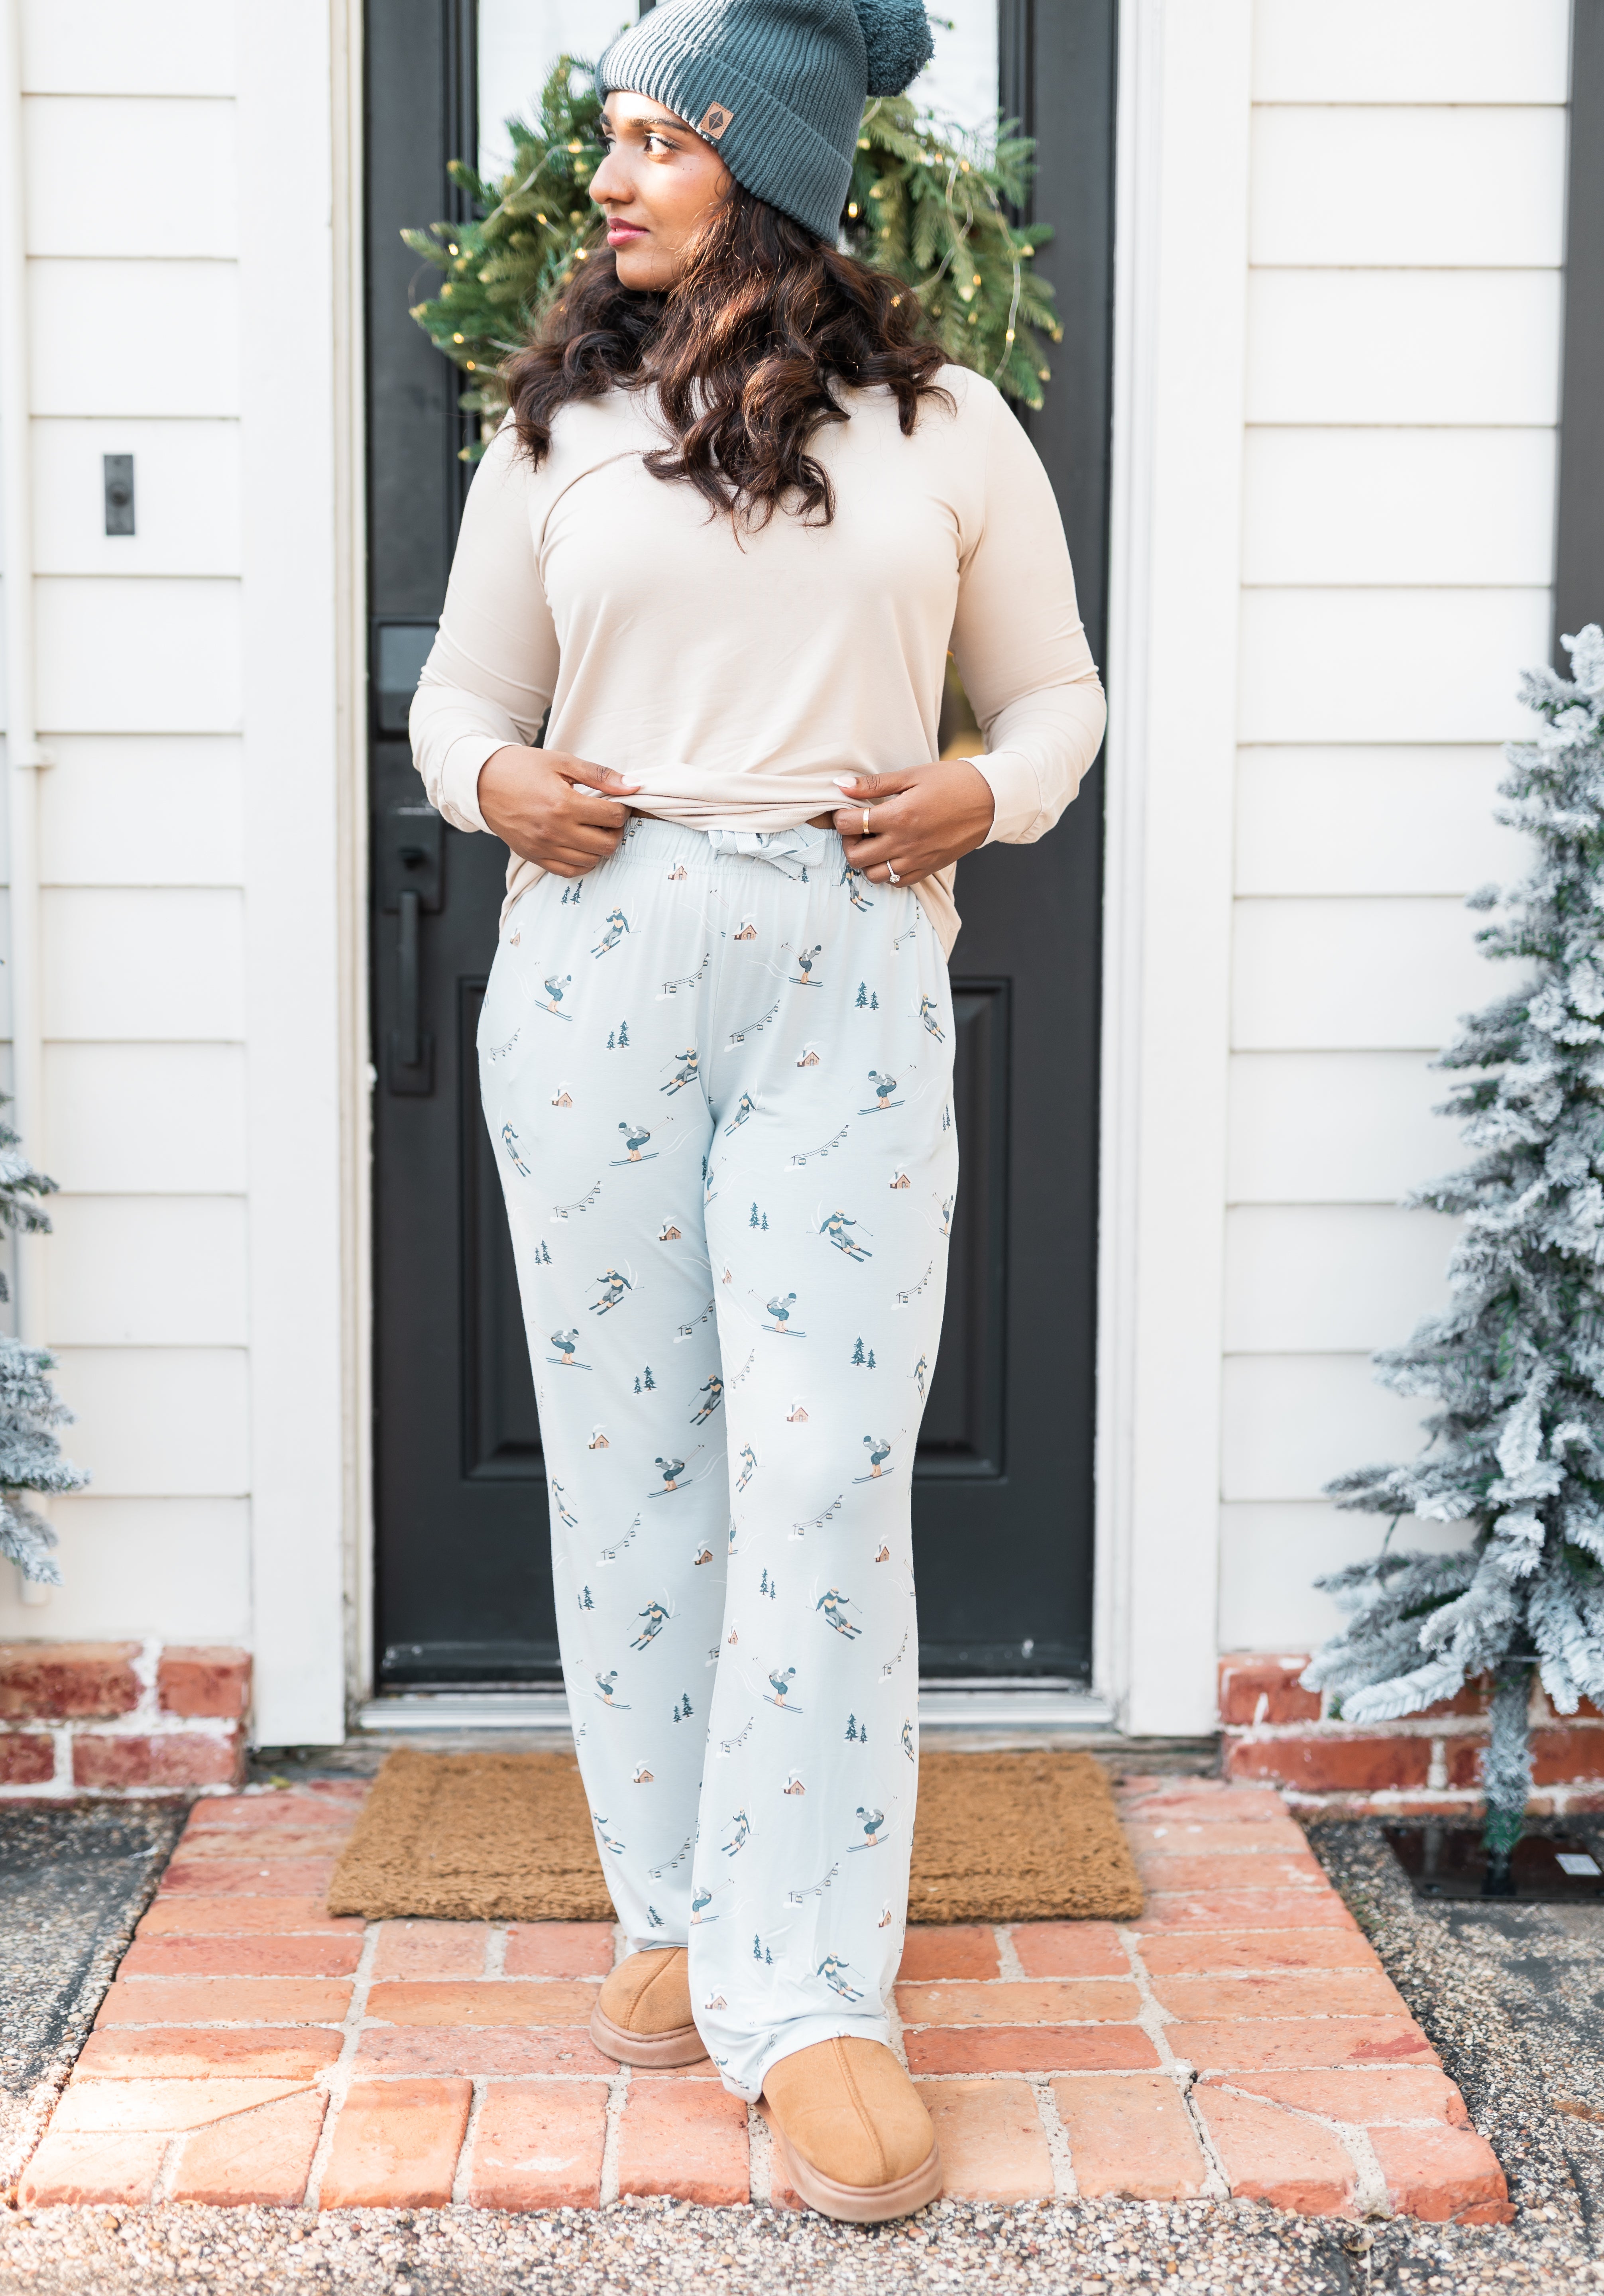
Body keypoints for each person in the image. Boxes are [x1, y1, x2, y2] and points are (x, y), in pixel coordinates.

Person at [411, 0, 1106, 2223]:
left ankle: (807, 1996)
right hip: (597, 968)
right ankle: (672, 1906)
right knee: (634, 1464)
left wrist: (986, 794)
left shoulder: (947, 429)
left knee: (817, 1469)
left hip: (846, 972)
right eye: (610, 136)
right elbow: (462, 690)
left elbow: (1056, 692)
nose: (607, 178)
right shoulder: (558, 428)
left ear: (770, 167)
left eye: (658, 138)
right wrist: (490, 779)